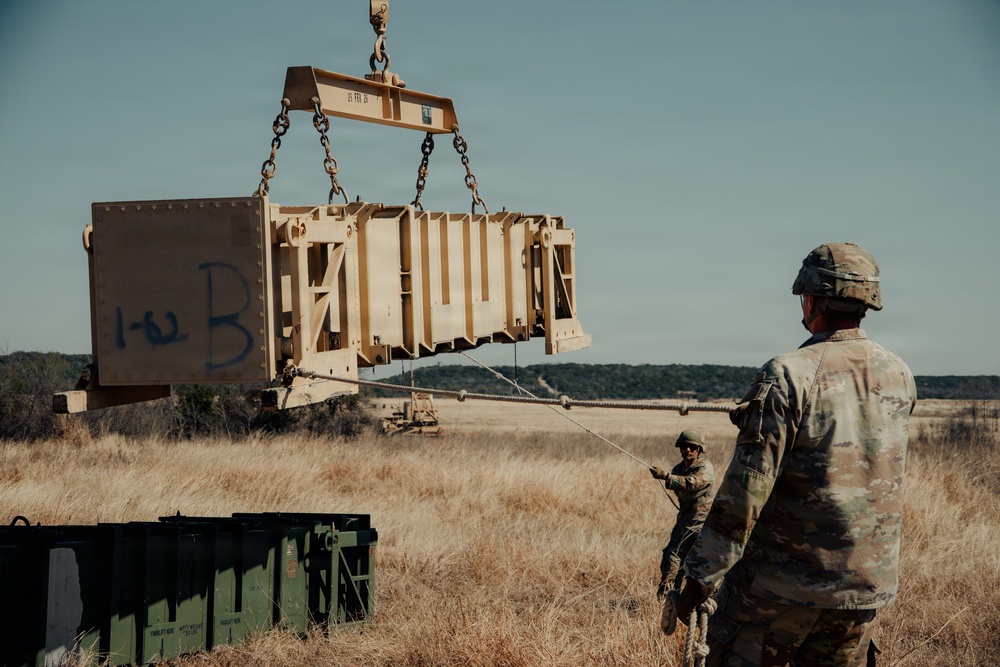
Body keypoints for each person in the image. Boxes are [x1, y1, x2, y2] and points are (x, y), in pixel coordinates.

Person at [662, 243, 917, 667]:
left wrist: (698, 578)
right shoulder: (899, 373)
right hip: (864, 591)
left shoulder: (789, 373)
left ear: (811, 298)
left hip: (783, 589)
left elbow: (744, 497)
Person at [650, 430, 716, 598]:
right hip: (684, 523)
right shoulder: (678, 469)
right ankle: (668, 598)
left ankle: (706, 602)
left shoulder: (705, 467)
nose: (688, 450)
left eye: (692, 447)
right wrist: (668, 477)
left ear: (699, 449)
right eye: (684, 446)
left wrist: (666, 476)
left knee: (704, 567)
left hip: (703, 525)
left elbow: (693, 483)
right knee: (671, 559)